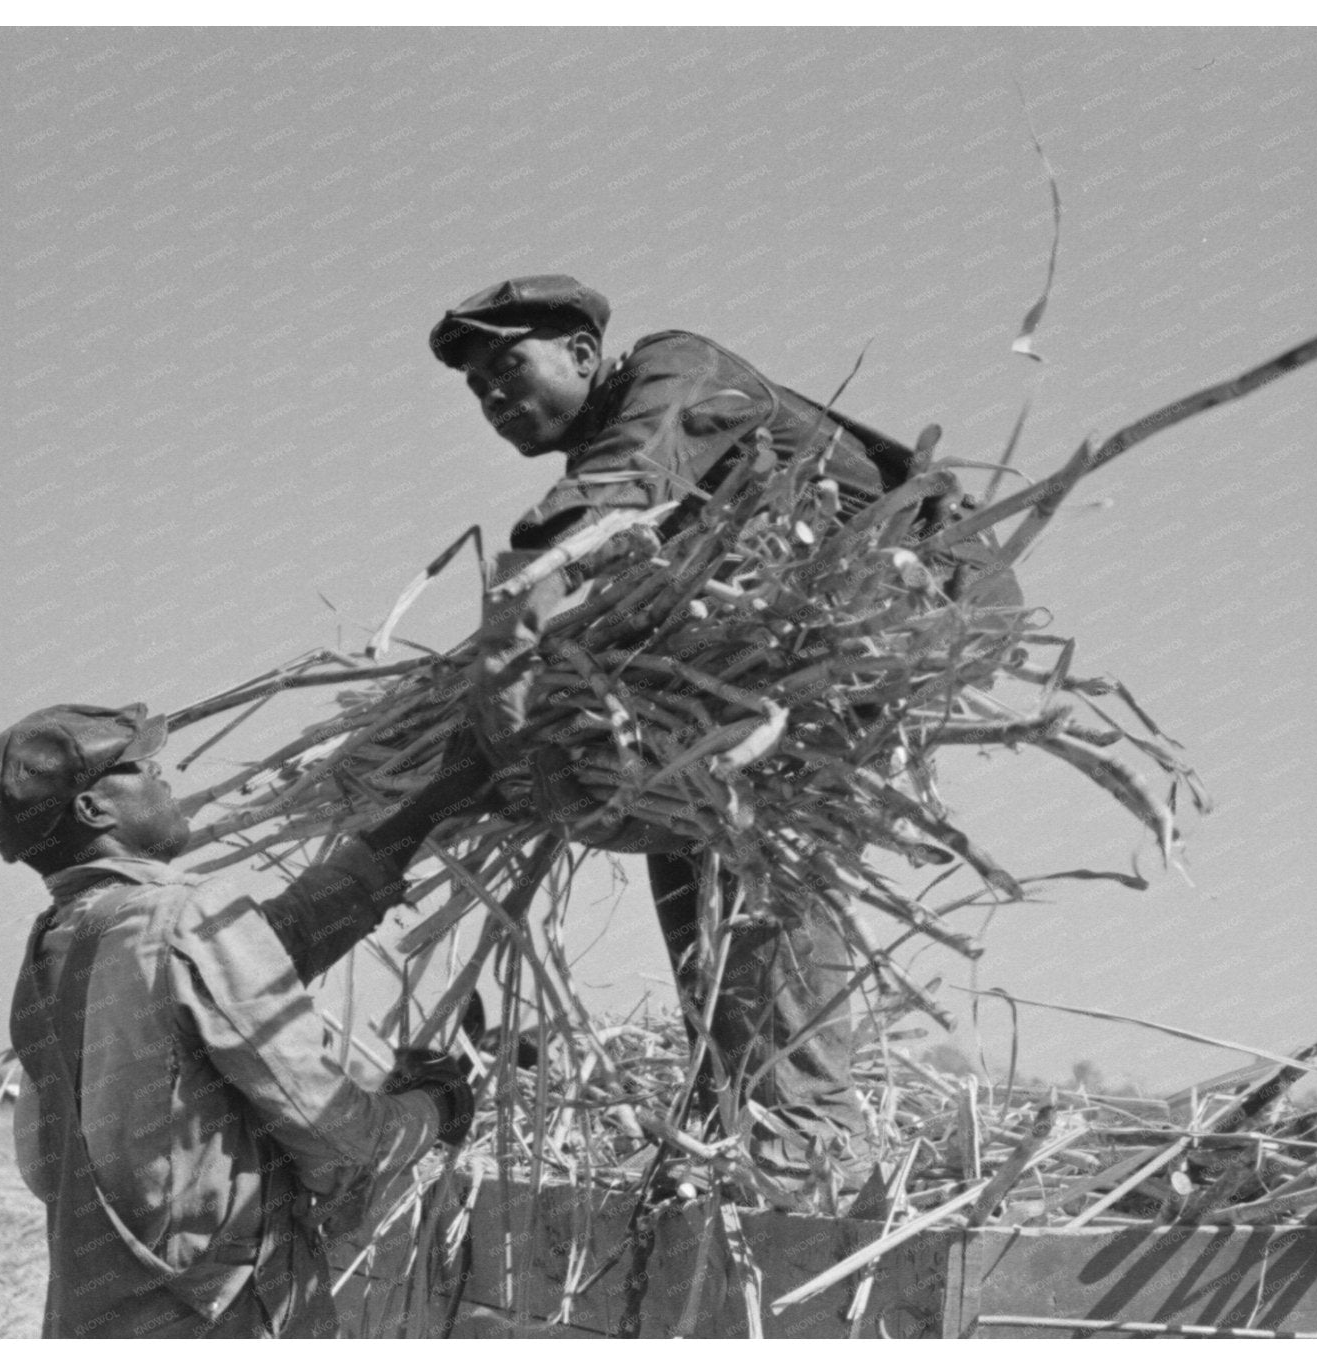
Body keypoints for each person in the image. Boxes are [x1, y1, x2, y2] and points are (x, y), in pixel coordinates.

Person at [429, 275, 1022, 1186]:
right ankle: (733, 1106)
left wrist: (514, 665)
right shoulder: (608, 464)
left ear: (584, 354)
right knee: (690, 815)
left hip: (907, 600)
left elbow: (600, 505)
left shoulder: (676, 372)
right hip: (763, 652)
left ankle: (807, 1132)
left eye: (508, 366)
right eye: (478, 391)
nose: (494, 398)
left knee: (756, 825)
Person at [0, 702, 483, 1338]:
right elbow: (341, 1143)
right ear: (94, 810)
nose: (164, 774)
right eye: (141, 766)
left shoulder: (56, 946)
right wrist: (434, 1105)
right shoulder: (183, 918)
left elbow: (273, 943)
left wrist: (432, 806)